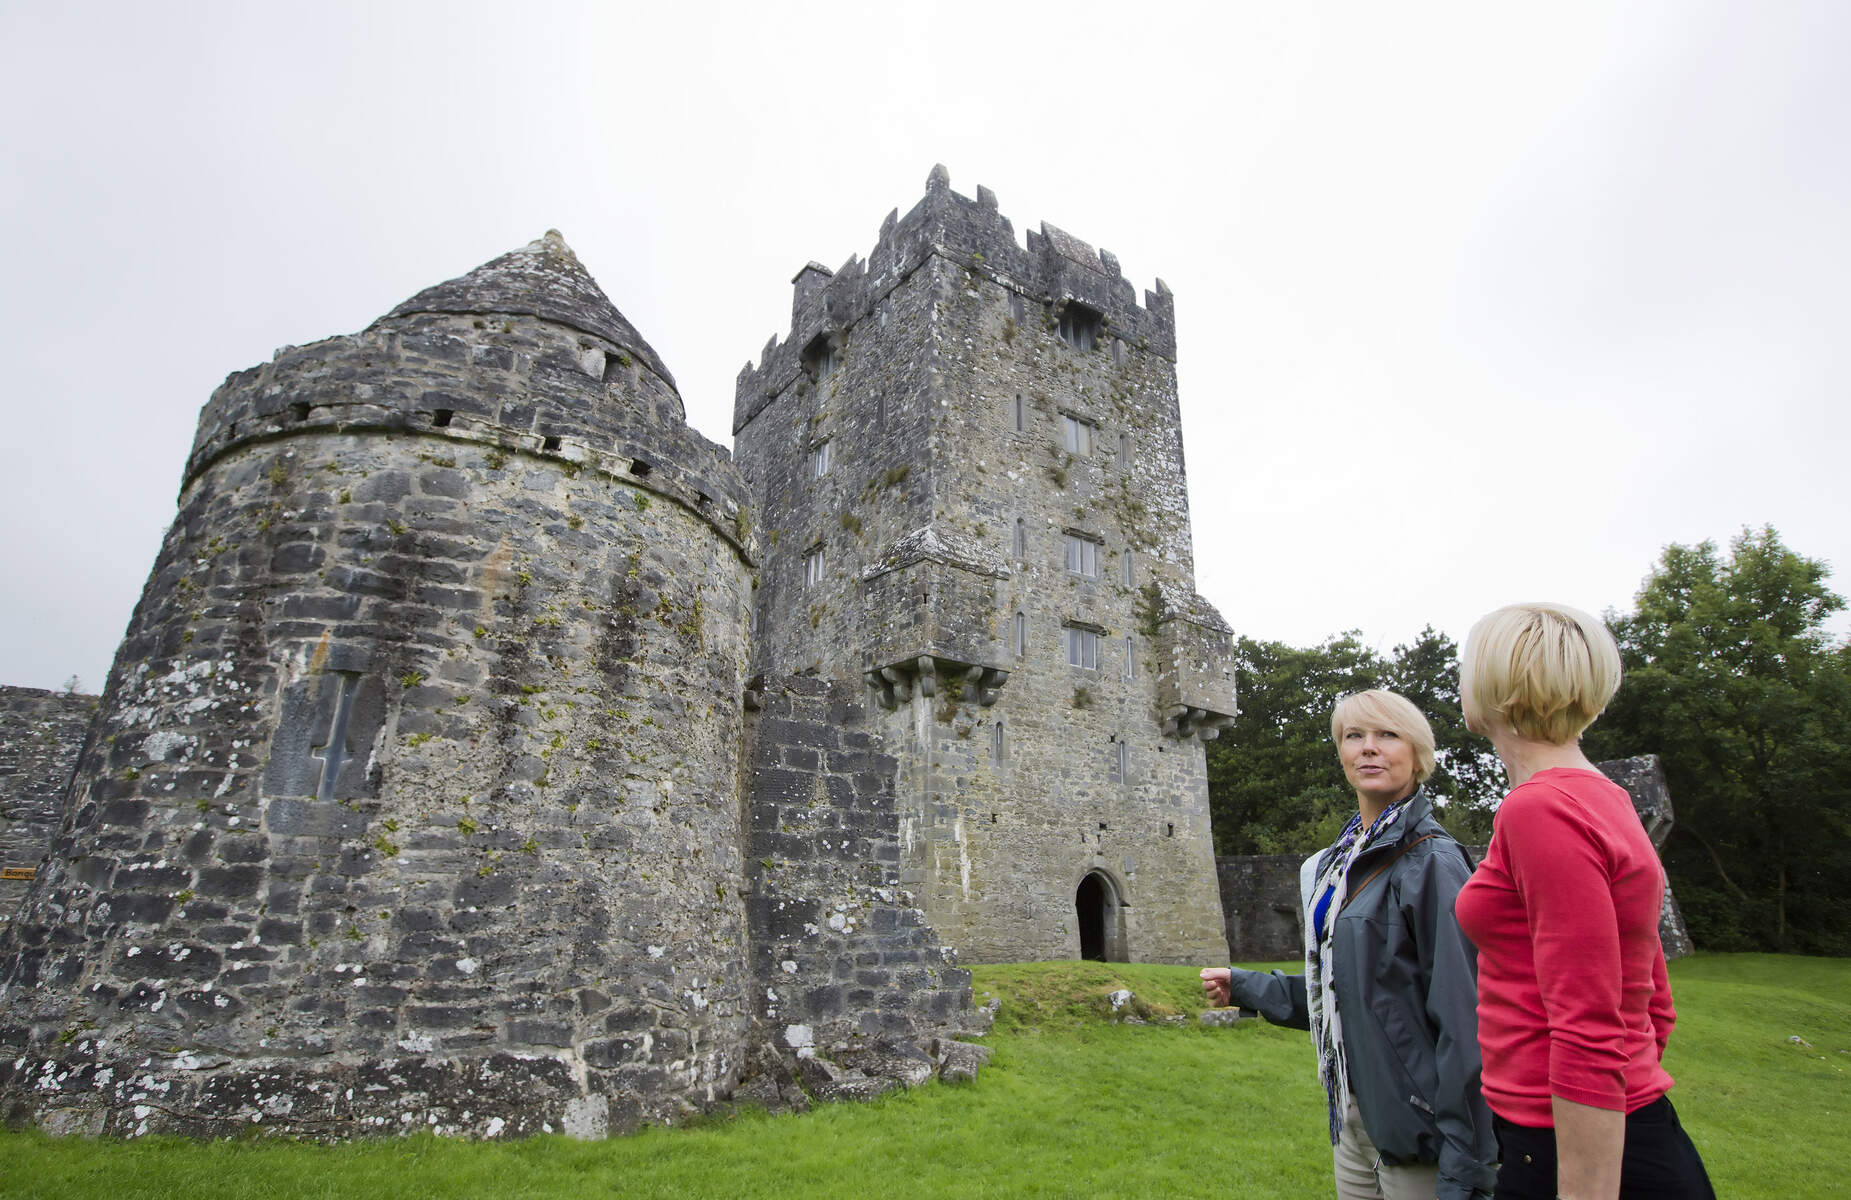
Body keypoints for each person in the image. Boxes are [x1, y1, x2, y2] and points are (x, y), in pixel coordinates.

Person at [1453, 603, 1714, 1200]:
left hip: (1566, 1141)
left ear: (1497, 682)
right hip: (1608, 1126)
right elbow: (1651, 991)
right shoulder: (1606, 797)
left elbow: (1588, 1019)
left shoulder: (1540, 809)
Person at [1202, 689, 1495, 1200]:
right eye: (1354, 736)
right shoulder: (1337, 865)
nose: (1368, 747)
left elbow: (1464, 1021)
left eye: (1387, 734)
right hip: (1353, 1119)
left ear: (1418, 754)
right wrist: (1247, 986)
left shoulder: (1432, 863)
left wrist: (1467, 1163)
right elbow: (1350, 992)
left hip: (1419, 1132)